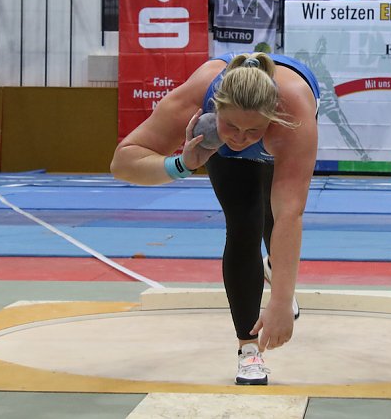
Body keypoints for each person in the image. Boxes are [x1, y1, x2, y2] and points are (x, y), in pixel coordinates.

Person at [110, 52, 320, 386]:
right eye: (231, 126)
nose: (239, 138)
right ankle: (248, 349)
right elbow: (122, 162)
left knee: (272, 214)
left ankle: (275, 272)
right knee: (243, 225)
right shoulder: (195, 97)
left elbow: (290, 215)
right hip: (216, 142)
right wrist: (181, 164)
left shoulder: (292, 115)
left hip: (282, 129)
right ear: (215, 109)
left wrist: (280, 300)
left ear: (270, 118)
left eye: (252, 129)